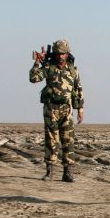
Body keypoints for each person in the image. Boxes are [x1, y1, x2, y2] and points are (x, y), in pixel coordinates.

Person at [29, 39, 84, 182]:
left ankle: (67, 172)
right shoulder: (48, 67)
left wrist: (80, 109)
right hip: (51, 108)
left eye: (63, 53)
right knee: (51, 140)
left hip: (67, 109)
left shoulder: (73, 70)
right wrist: (36, 63)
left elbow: (78, 89)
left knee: (68, 140)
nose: (61, 56)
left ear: (68, 54)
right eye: (58, 53)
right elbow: (34, 78)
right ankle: (49, 171)